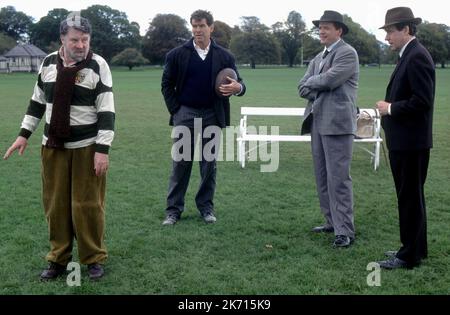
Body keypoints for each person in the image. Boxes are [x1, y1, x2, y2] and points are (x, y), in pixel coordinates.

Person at [3, 13, 115, 280]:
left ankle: (92, 259)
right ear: (62, 39)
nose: (81, 45)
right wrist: (23, 134)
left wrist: (102, 150)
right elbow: (37, 102)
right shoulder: (47, 63)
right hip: (52, 147)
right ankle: (58, 259)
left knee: (87, 205)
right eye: (75, 40)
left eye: (85, 40)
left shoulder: (98, 65)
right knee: (56, 205)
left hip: (87, 147)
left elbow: (107, 112)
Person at [161, 9, 246, 225]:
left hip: (212, 114)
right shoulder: (177, 54)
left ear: (211, 27)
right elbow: (166, 85)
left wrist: (239, 87)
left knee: (209, 164)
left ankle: (206, 208)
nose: (198, 30)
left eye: (202, 26)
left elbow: (240, 83)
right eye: (194, 26)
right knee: (180, 163)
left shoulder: (225, 56)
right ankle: (173, 210)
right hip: (185, 113)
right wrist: (176, 110)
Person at [375, 7, 435, 269]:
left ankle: (408, 255)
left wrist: (390, 108)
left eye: (390, 31)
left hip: (410, 142)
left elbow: (422, 101)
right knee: (411, 196)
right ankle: (415, 248)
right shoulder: (408, 55)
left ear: (406, 30)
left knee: (409, 197)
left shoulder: (417, 57)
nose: (387, 37)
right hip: (407, 141)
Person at [298, 10, 359, 248]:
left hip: (338, 125)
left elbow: (329, 81)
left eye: (326, 27)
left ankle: (345, 231)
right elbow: (301, 88)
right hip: (317, 122)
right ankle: (331, 222)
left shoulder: (347, 53)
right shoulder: (318, 57)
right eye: (320, 27)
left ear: (339, 31)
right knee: (322, 177)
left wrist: (316, 82)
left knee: (339, 179)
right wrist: (318, 82)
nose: (321, 31)